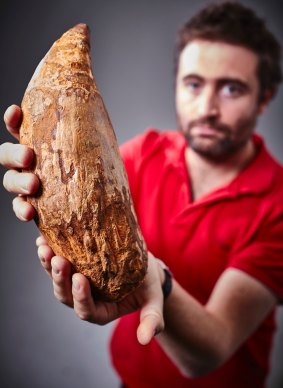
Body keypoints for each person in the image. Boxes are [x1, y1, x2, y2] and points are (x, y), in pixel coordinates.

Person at [0, 2, 282, 387]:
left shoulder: (277, 204)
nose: (207, 108)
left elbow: (212, 348)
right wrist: (40, 166)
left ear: (264, 98)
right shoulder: (140, 155)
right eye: (194, 83)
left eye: (231, 88)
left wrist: (158, 281)